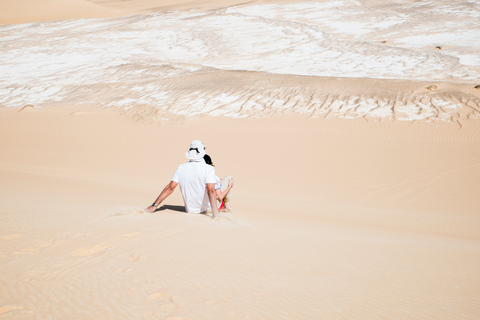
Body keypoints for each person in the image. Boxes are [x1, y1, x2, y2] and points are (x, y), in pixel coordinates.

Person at [145, 140, 219, 218]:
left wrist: (154, 205)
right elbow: (211, 190)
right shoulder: (208, 168)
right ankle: (224, 207)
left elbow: (170, 187)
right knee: (226, 180)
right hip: (207, 209)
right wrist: (215, 214)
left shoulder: (181, 167)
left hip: (190, 209)